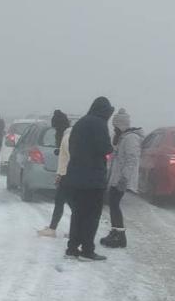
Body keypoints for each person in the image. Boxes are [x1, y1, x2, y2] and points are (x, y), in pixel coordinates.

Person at [64, 96, 115, 260]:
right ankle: (87, 249)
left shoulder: (81, 123)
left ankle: (72, 249)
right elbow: (105, 148)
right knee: (91, 216)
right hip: (93, 178)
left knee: (77, 213)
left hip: (75, 176)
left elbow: (72, 147)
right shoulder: (99, 124)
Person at [100, 108, 142, 248]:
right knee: (113, 205)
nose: (113, 128)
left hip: (121, 179)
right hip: (116, 177)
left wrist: (124, 179)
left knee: (115, 205)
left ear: (120, 125)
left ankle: (120, 236)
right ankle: (115, 232)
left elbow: (132, 159)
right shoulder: (123, 137)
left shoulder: (131, 138)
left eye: (115, 126)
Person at [37, 108, 72, 237]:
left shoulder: (67, 137)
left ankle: (54, 229)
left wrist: (61, 175)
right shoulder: (68, 135)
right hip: (66, 175)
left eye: (56, 128)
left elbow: (71, 157)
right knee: (62, 202)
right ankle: (55, 228)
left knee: (65, 203)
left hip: (67, 175)